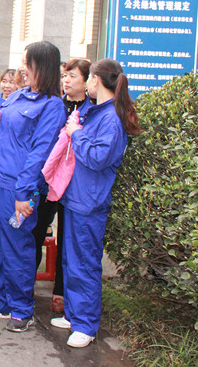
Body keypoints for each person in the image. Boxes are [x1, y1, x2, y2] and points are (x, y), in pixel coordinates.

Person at [0, 41, 66, 333]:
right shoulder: (17, 96)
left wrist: (24, 193)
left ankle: (21, 307)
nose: (22, 68)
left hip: (17, 189)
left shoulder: (52, 106)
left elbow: (40, 152)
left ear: (41, 66)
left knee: (17, 246)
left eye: (27, 63)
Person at [51, 59, 141, 348]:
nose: (86, 83)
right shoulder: (97, 111)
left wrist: (76, 134)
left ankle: (86, 325)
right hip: (77, 197)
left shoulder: (111, 118)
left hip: (90, 202)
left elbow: (98, 158)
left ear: (98, 81)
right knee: (71, 260)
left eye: (89, 78)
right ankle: (74, 315)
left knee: (85, 264)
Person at [35, 58, 93, 314]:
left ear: (88, 81)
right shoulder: (55, 105)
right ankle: (26, 285)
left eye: (72, 76)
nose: (66, 81)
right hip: (49, 182)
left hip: (76, 184)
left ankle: (61, 290)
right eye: (64, 76)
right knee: (37, 231)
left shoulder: (93, 110)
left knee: (68, 239)